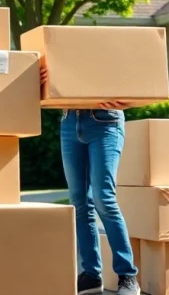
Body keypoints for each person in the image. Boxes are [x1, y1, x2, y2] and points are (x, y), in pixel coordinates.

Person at [45, 50, 140, 295]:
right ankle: (91, 275)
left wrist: (128, 100)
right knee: (79, 202)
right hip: (69, 121)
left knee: (103, 199)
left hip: (105, 121)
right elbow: (49, 91)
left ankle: (127, 276)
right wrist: (43, 80)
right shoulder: (62, 52)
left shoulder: (103, 52)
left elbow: (142, 83)